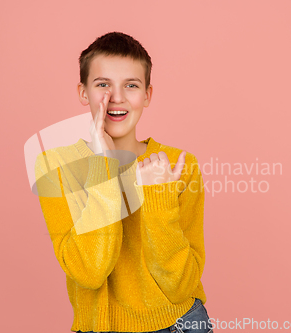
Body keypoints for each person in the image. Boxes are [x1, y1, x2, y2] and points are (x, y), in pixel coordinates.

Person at [34, 31, 212, 333]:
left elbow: (180, 284)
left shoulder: (180, 164)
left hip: (178, 324)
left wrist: (157, 195)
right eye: (103, 84)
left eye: (131, 85)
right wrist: (104, 170)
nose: (116, 98)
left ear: (147, 95)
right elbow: (89, 271)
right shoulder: (54, 166)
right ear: (83, 92)